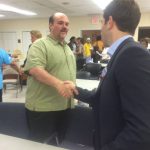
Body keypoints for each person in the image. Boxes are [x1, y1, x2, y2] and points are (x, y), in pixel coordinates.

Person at [74, 0, 150, 149]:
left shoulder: (132, 54)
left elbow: (142, 129)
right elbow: (103, 97)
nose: (100, 28)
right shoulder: (120, 52)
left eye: (101, 22)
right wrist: (74, 90)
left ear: (109, 22)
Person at [24, 12, 77, 144]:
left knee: (58, 143)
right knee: (40, 144)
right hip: (44, 109)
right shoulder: (40, 45)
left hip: (65, 106)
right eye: (60, 23)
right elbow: (35, 70)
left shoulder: (67, 47)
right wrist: (59, 84)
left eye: (66, 24)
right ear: (50, 25)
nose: (64, 26)